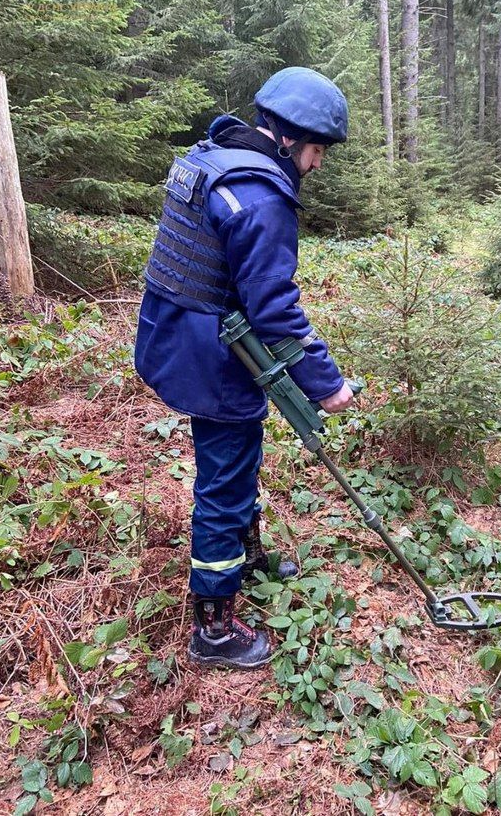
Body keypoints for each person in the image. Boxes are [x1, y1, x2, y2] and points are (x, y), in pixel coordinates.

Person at [134, 67, 354, 670]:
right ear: (288, 139)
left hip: (176, 333)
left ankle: (245, 553)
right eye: (316, 151)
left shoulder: (213, 158)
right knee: (225, 478)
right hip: (208, 354)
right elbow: (276, 310)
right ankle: (212, 622)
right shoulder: (262, 200)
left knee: (240, 452)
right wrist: (327, 386)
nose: (317, 164)